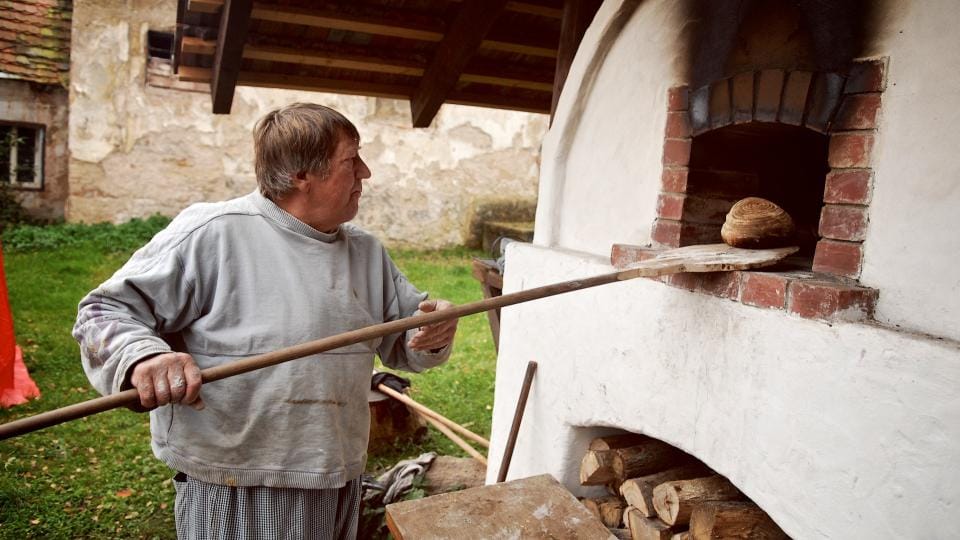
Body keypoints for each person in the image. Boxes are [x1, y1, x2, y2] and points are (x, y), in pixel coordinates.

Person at [73, 103, 458, 539]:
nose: (365, 173)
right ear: (301, 175)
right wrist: (144, 358)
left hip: (335, 470)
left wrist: (432, 332)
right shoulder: (214, 233)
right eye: (351, 161)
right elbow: (102, 311)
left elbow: (406, 338)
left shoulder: (366, 253)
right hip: (240, 478)